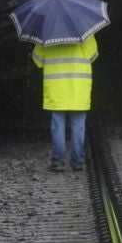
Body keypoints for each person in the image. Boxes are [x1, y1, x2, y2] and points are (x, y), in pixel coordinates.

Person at [32, 35, 98, 171]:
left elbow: (37, 60)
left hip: (57, 90)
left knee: (57, 127)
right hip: (78, 89)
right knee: (78, 127)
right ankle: (78, 161)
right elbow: (93, 56)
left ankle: (58, 161)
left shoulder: (47, 33)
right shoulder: (86, 34)